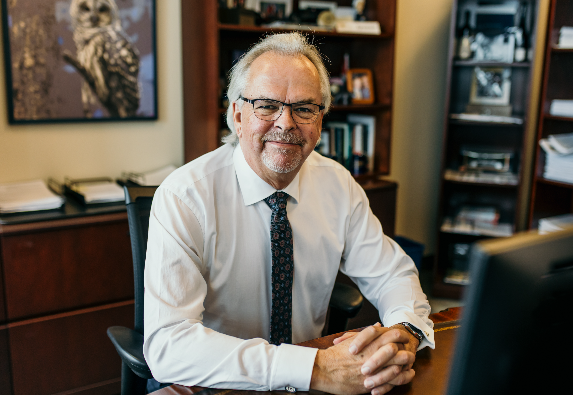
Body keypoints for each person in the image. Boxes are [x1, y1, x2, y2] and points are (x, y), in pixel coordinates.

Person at [144, 32, 434, 395]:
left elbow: (392, 274)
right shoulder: (185, 196)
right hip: (215, 383)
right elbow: (168, 346)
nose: (286, 123)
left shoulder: (337, 185)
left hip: (313, 379)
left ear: (321, 121)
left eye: (304, 108)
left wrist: (404, 331)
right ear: (236, 114)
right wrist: (312, 369)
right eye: (266, 105)